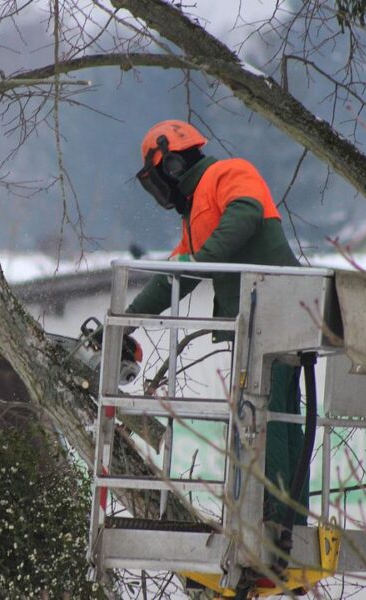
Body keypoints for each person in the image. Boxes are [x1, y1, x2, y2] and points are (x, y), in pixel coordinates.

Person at [126, 119, 307, 524]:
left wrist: (203, 260)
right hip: (257, 325)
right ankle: (280, 517)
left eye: (158, 177)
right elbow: (176, 278)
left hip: (278, 315)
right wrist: (126, 321)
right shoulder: (196, 214)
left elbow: (246, 215)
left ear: (169, 166)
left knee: (271, 420)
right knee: (269, 417)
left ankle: (276, 523)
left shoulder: (230, 173)